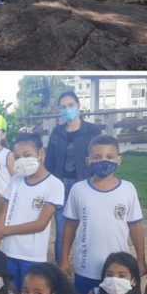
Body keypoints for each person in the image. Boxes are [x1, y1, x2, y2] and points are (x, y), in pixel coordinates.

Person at [59, 134, 147, 294]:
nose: (103, 161)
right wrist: (64, 259)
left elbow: (135, 227)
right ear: (88, 160)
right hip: (86, 268)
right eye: (97, 157)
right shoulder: (79, 189)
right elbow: (70, 226)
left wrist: (141, 260)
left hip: (120, 270)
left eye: (109, 157)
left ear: (119, 160)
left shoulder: (128, 189)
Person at [0, 130, 63, 294]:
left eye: (26, 155)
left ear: (41, 153)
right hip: (8, 251)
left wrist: (4, 230)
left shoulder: (54, 185)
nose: (21, 161)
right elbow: (4, 211)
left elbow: (41, 224)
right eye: (17, 157)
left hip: (32, 255)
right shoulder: (16, 180)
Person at [44, 90, 101, 265]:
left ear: (78, 106)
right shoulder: (57, 132)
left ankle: (87, 263)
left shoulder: (92, 131)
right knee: (62, 230)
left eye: (70, 105)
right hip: (60, 186)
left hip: (85, 184)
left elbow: (99, 157)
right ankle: (62, 265)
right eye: (63, 107)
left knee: (87, 227)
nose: (67, 109)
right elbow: (49, 162)